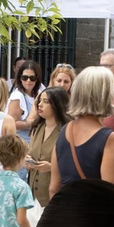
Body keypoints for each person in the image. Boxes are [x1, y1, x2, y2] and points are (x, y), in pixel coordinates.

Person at [50, 66, 114, 199]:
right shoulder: (109, 139)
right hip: (92, 217)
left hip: (64, 214)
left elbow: (53, 189)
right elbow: (112, 198)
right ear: (104, 95)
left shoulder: (65, 130)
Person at [25, 84, 66, 214]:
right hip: (33, 196)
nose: (40, 105)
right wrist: (27, 160)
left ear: (57, 105)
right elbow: (31, 151)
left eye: (46, 101)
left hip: (54, 195)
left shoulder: (66, 131)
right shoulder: (37, 128)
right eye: (39, 101)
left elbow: (72, 166)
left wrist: (51, 167)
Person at [7, 58, 42, 133]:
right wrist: (30, 123)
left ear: (37, 79)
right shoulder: (17, 97)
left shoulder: (39, 94)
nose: (28, 81)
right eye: (24, 77)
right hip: (21, 141)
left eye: (32, 78)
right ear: (20, 78)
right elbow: (12, 122)